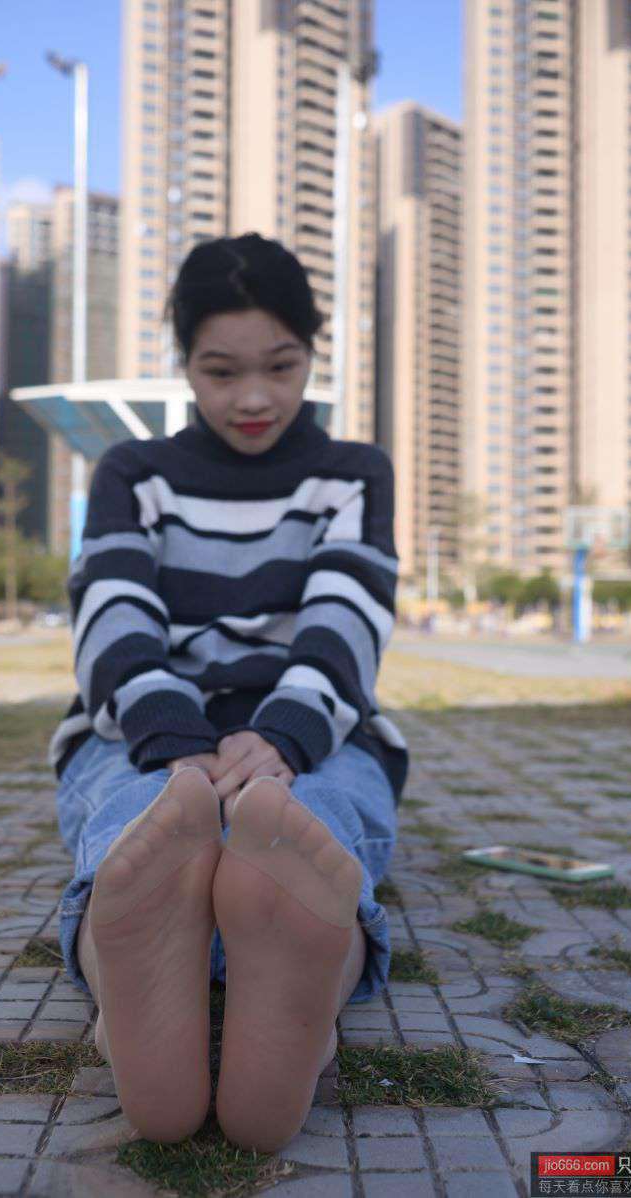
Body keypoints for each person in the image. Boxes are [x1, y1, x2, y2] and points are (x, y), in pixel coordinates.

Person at [50, 233, 409, 1153]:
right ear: (184, 365)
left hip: (311, 725)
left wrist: (285, 735)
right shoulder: (134, 472)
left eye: (280, 367)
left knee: (316, 818)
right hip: (146, 727)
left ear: (312, 353)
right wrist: (177, 741)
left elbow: (347, 614)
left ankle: (287, 1002)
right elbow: (112, 612)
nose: (253, 398)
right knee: (138, 821)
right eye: (221, 371)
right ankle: (147, 990)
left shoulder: (353, 471)